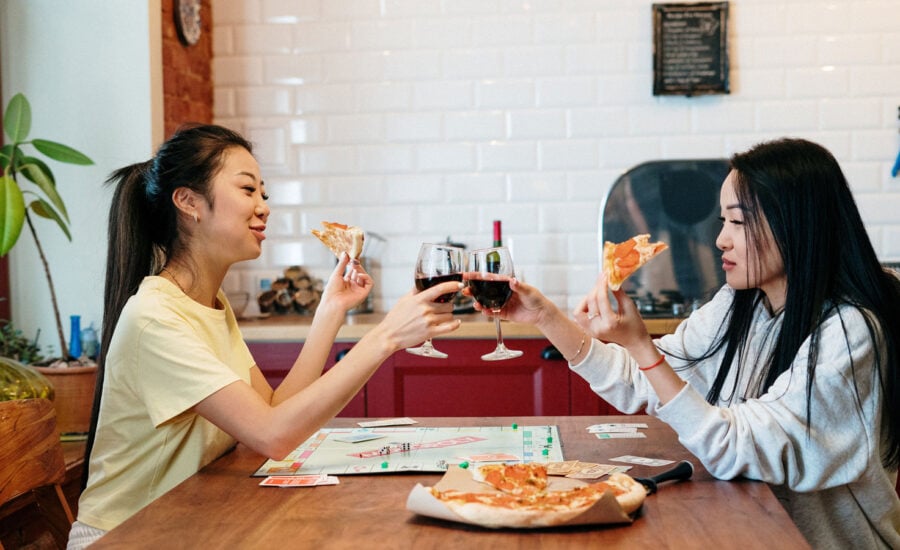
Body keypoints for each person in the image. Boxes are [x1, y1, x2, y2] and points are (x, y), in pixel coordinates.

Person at [475, 138, 900, 549]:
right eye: (723, 222)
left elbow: (737, 449)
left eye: (738, 222)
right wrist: (546, 317)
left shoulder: (849, 330)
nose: (721, 240)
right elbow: (641, 383)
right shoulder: (742, 302)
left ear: (795, 224)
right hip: (750, 530)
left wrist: (643, 347)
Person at [67, 124, 463, 548]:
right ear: (188, 202)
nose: (263, 207)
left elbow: (273, 410)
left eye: (264, 194)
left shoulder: (209, 301)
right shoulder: (155, 317)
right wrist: (384, 337)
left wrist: (330, 310)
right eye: (247, 190)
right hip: (126, 537)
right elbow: (273, 435)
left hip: (186, 524)